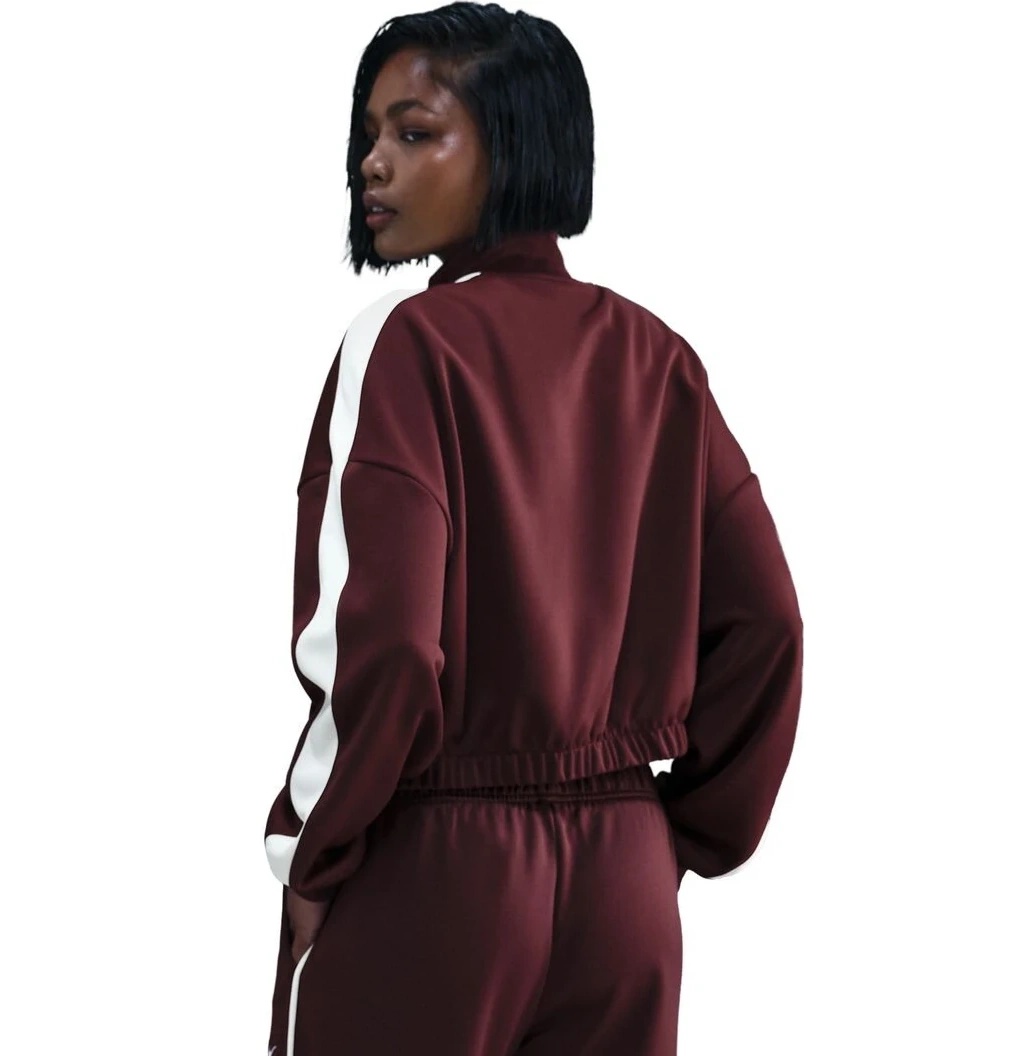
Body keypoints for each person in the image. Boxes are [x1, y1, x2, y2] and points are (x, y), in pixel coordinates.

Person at [262, 3, 804, 1054]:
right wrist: (678, 833)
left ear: (513, 145)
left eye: (416, 131)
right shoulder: (656, 356)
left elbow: (384, 648)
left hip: (435, 874)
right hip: (626, 887)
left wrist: (311, 852)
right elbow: (768, 623)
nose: (372, 163)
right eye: (368, 134)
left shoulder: (406, 345)